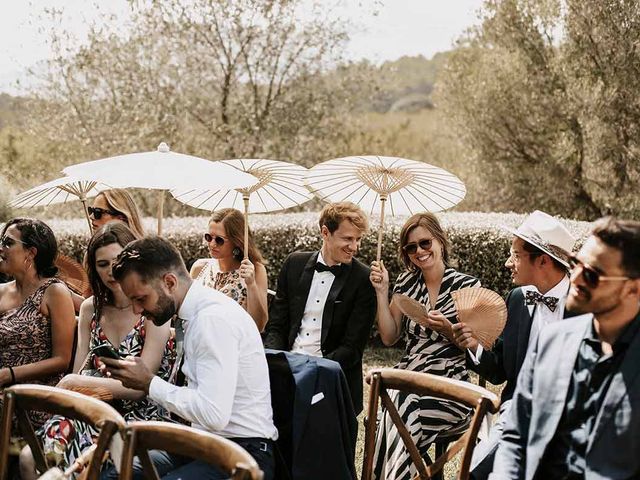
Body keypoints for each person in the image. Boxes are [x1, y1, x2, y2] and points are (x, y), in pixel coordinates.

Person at [99, 236, 278, 480]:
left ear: (169, 282)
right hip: (202, 442)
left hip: (243, 454)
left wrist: (149, 383)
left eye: (141, 299)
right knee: (115, 474)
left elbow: (214, 414)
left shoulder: (210, 320)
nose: (137, 311)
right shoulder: (192, 313)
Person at [18, 223, 173, 479]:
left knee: (77, 469)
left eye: (118, 260)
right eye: (102, 264)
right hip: (92, 408)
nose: (112, 271)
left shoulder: (152, 307)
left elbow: (140, 387)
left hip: (138, 416)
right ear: (94, 268)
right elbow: (82, 368)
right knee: (28, 457)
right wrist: (75, 384)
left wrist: (74, 381)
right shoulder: (92, 308)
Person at [491, 217, 640, 479]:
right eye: (576, 264)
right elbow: (516, 436)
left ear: (633, 289)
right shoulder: (552, 341)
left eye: (592, 274)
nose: (577, 277)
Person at [451, 210, 577, 479]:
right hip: (517, 413)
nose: (509, 263)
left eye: (516, 255)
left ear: (543, 261)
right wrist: (473, 345)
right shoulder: (518, 299)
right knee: (475, 471)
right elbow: (499, 371)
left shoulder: (587, 307)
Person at [368, 212, 481, 480]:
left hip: (450, 387)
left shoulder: (467, 285)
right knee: (400, 403)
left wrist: (447, 330)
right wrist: (382, 293)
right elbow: (389, 336)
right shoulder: (406, 283)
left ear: (440, 241)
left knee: (397, 409)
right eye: (411, 247)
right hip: (410, 377)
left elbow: (477, 346)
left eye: (425, 243)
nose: (419, 251)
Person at [263, 201, 376, 415]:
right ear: (325, 232)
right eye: (348, 239)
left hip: (330, 376)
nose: (355, 247)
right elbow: (277, 326)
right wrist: (275, 359)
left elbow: (351, 349)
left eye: (358, 239)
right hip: (287, 367)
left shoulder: (363, 279)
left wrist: (311, 370)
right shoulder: (293, 264)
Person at [0, 218, 76, 426]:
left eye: (7, 243)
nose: (1, 248)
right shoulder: (1, 292)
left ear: (31, 253)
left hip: (34, 396)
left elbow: (61, 360)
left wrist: (9, 375)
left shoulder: (54, 292)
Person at [189, 208, 268, 331]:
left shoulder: (255, 270)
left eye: (219, 240)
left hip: (236, 345)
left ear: (236, 241)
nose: (212, 244)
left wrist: (251, 285)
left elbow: (259, 326)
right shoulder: (200, 268)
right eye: (209, 237)